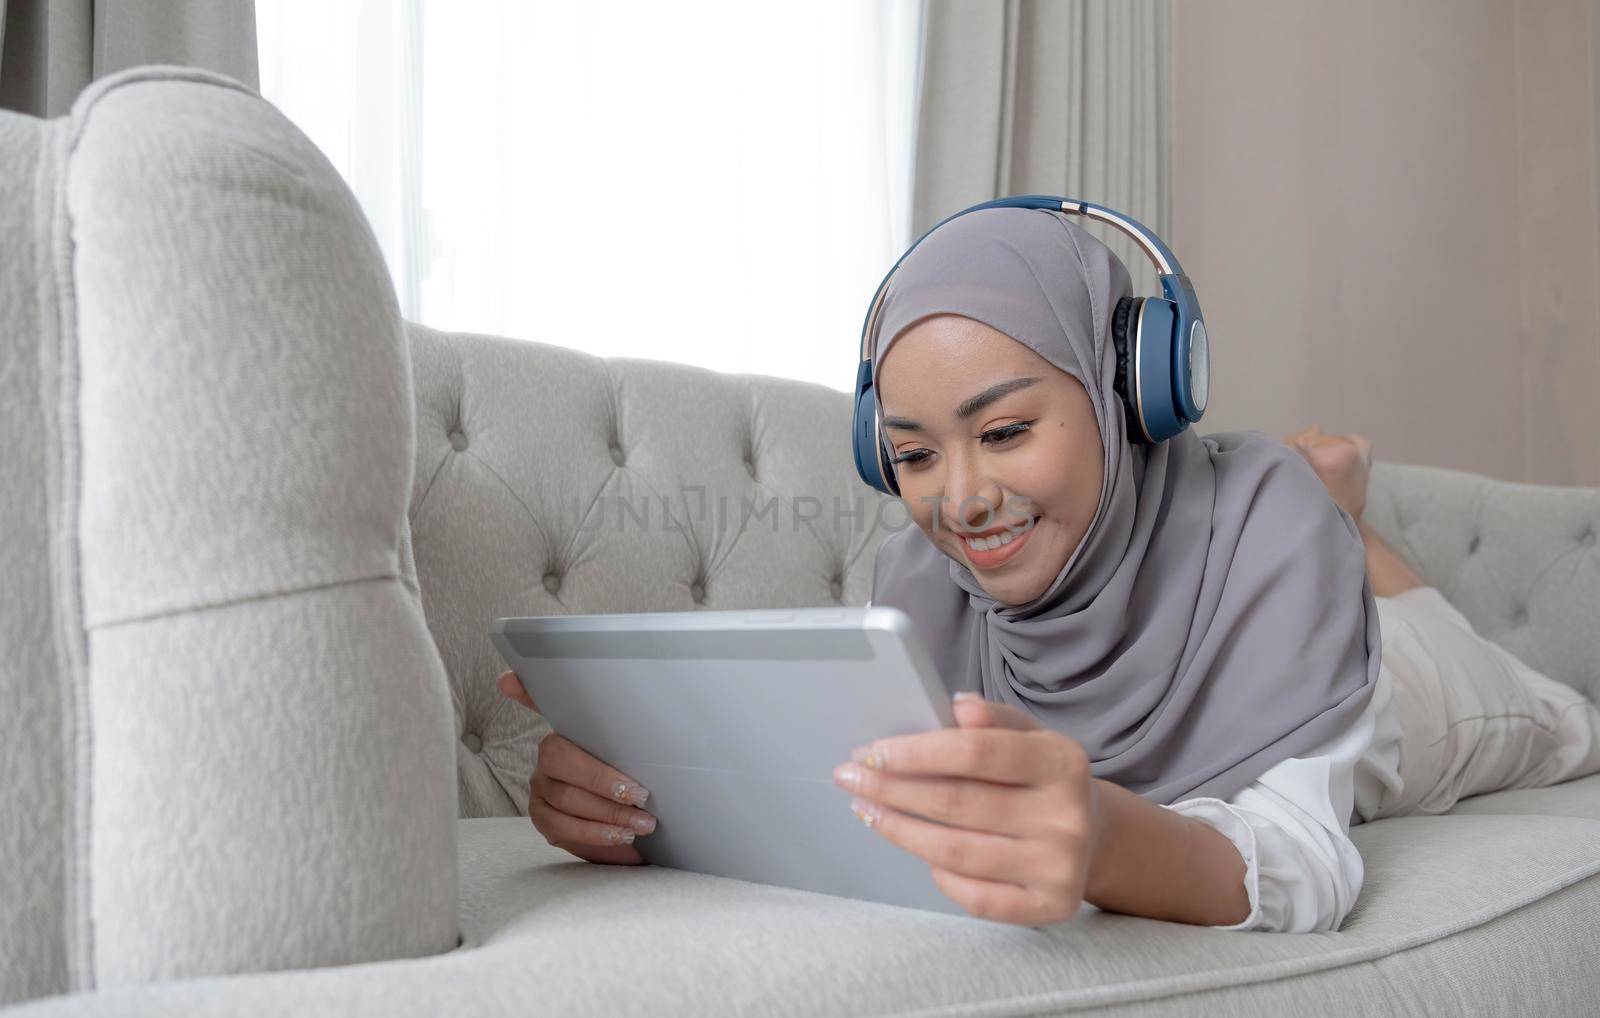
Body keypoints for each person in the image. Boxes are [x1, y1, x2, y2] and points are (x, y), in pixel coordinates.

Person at [496, 207, 1600, 932]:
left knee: (1565, 724)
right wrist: (635, 798)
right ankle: (1343, 522)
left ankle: (1343, 530)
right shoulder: (917, 588)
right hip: (1269, 567)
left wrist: (1108, 835)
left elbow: (1309, 861)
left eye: (1007, 432)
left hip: (1404, 697)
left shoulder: (1267, 531)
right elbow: (839, 796)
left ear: (1128, 396)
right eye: (916, 454)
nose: (962, 497)